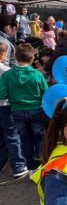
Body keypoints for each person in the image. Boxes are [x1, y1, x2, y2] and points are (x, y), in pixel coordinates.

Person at [0, 43, 48, 172]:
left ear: (15, 57)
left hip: (17, 111)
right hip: (36, 109)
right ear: (32, 58)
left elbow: (2, 94)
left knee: (24, 139)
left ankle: (31, 166)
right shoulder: (37, 75)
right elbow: (45, 92)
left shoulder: (7, 75)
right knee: (38, 137)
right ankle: (40, 163)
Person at [0, 41, 27, 179]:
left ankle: (1, 162)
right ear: (3, 54)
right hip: (6, 106)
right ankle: (18, 166)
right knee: (12, 135)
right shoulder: (7, 71)